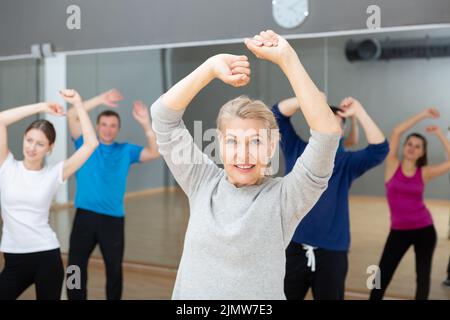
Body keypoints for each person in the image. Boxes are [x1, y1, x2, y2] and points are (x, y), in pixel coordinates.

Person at [150, 30, 342, 299]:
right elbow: (163, 117)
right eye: (233, 142)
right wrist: (209, 68)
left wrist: (287, 59)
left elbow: (327, 135)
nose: (243, 154)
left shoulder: (286, 198)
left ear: (272, 146)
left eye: (255, 142)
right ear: (219, 144)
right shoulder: (202, 181)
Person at [274, 96, 389, 300]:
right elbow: (277, 115)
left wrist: (359, 111)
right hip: (292, 247)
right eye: (324, 117)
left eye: (335, 120)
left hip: (332, 253)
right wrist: (306, 97)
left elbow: (379, 150)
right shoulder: (296, 150)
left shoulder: (346, 163)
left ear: (341, 131)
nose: (328, 122)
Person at [0, 90, 98, 300]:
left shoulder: (55, 173)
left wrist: (79, 104)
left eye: (40, 143)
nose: (32, 148)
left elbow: (91, 144)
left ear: (50, 148)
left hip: (46, 256)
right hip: (13, 259)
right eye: (29, 140)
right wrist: (42, 107)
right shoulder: (6, 166)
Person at [66, 90, 160, 300]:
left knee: (114, 270)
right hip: (84, 217)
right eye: (104, 125)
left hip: (112, 220)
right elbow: (72, 114)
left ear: (118, 129)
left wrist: (146, 123)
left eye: (113, 126)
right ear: (97, 126)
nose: (108, 130)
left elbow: (155, 152)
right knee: (75, 267)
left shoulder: (126, 150)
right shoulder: (84, 144)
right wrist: (100, 99)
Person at [370, 108, 450, 300]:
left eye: (418, 146)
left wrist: (439, 133)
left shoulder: (424, 172)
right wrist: (423, 115)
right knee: (382, 274)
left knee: (422, 278)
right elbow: (397, 131)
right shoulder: (392, 165)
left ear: (422, 152)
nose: (412, 148)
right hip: (398, 231)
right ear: (404, 146)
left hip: (424, 230)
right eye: (410, 144)